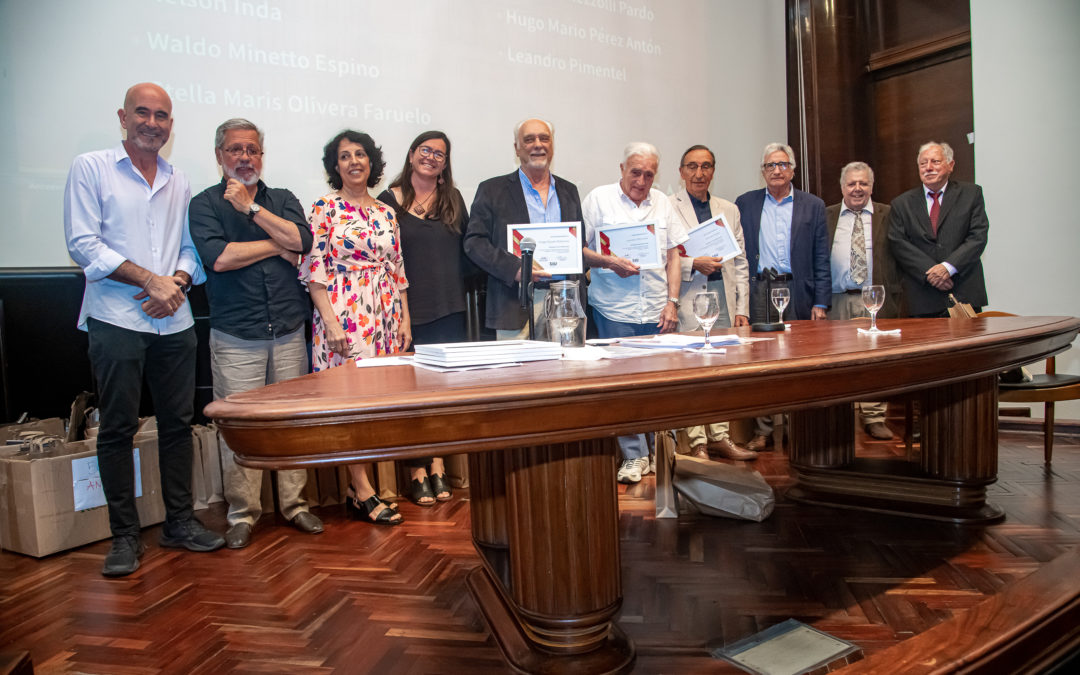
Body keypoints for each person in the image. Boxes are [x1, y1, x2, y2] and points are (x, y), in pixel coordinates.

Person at [64, 82, 224, 577]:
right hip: (116, 319)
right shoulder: (90, 168)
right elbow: (83, 244)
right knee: (117, 428)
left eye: (162, 116)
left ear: (171, 125)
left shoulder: (179, 179)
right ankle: (125, 537)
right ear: (123, 116)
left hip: (174, 321)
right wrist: (148, 280)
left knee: (178, 425)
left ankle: (179, 523)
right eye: (142, 113)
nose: (152, 123)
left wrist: (174, 281)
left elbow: (188, 250)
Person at [188, 118, 324, 548]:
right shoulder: (204, 204)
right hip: (236, 336)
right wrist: (275, 245)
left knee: (292, 425)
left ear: (261, 156)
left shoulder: (280, 198)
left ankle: (295, 505)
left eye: (252, 150)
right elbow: (220, 258)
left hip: (287, 330)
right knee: (240, 430)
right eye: (235, 150)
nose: (244, 157)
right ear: (219, 156)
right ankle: (243, 514)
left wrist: (251, 209)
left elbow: (302, 240)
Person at [300, 130, 408, 525]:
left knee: (374, 403)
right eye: (344, 156)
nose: (353, 161)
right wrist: (329, 322)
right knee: (346, 402)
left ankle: (356, 487)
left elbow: (397, 269)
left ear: (371, 162)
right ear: (336, 166)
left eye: (360, 154)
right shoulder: (324, 207)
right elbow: (314, 270)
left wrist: (404, 319)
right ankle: (362, 488)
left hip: (385, 314)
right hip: (343, 314)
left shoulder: (386, 212)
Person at [582, 142, 687, 483]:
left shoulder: (664, 203)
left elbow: (674, 256)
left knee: (660, 387)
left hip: (657, 309)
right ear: (622, 169)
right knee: (621, 387)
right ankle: (633, 456)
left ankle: (661, 453)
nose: (641, 181)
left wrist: (673, 302)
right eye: (635, 172)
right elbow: (578, 248)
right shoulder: (598, 198)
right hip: (614, 308)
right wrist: (608, 260)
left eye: (649, 174)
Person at [378, 131, 471, 506]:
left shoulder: (453, 199)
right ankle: (417, 470)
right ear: (412, 154)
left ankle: (437, 464)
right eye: (425, 151)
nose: (431, 157)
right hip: (408, 312)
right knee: (413, 398)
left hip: (451, 309)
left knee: (442, 397)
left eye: (439, 154)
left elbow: (468, 251)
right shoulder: (390, 199)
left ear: (445, 164)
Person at [736, 142, 830, 452]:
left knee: (799, 362)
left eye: (782, 164)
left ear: (793, 169)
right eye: (770, 165)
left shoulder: (813, 205)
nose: (776, 170)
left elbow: (821, 257)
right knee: (760, 362)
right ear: (762, 171)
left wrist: (821, 302)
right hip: (761, 289)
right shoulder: (745, 203)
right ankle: (763, 430)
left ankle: (795, 427)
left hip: (798, 291)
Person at [670, 145, 756, 461]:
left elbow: (742, 262)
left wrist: (743, 309)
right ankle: (696, 442)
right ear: (680, 172)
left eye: (706, 166)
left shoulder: (729, 209)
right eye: (692, 166)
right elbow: (665, 257)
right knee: (693, 372)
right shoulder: (668, 206)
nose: (699, 173)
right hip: (689, 297)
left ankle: (720, 436)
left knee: (720, 370)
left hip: (723, 298)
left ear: (713, 171)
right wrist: (695, 263)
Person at [464, 118, 585, 339]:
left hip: (564, 303)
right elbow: (474, 243)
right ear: (517, 148)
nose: (538, 144)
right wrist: (514, 269)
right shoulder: (492, 190)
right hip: (514, 302)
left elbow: (578, 246)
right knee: (519, 372)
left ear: (552, 145)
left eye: (544, 138)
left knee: (567, 371)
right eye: (529, 139)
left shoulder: (569, 191)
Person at [826, 161, 901, 441]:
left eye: (863, 183)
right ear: (842, 186)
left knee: (875, 363)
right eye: (851, 183)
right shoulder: (826, 215)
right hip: (837, 298)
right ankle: (839, 416)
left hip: (875, 298)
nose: (857, 189)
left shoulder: (889, 214)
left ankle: (874, 417)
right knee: (835, 363)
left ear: (872, 186)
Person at [887, 141, 989, 317]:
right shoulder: (901, 203)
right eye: (923, 163)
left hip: (963, 293)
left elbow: (978, 237)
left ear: (950, 165)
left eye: (935, 161)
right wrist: (931, 273)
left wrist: (948, 268)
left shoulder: (971, 194)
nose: (928, 168)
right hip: (922, 298)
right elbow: (898, 243)